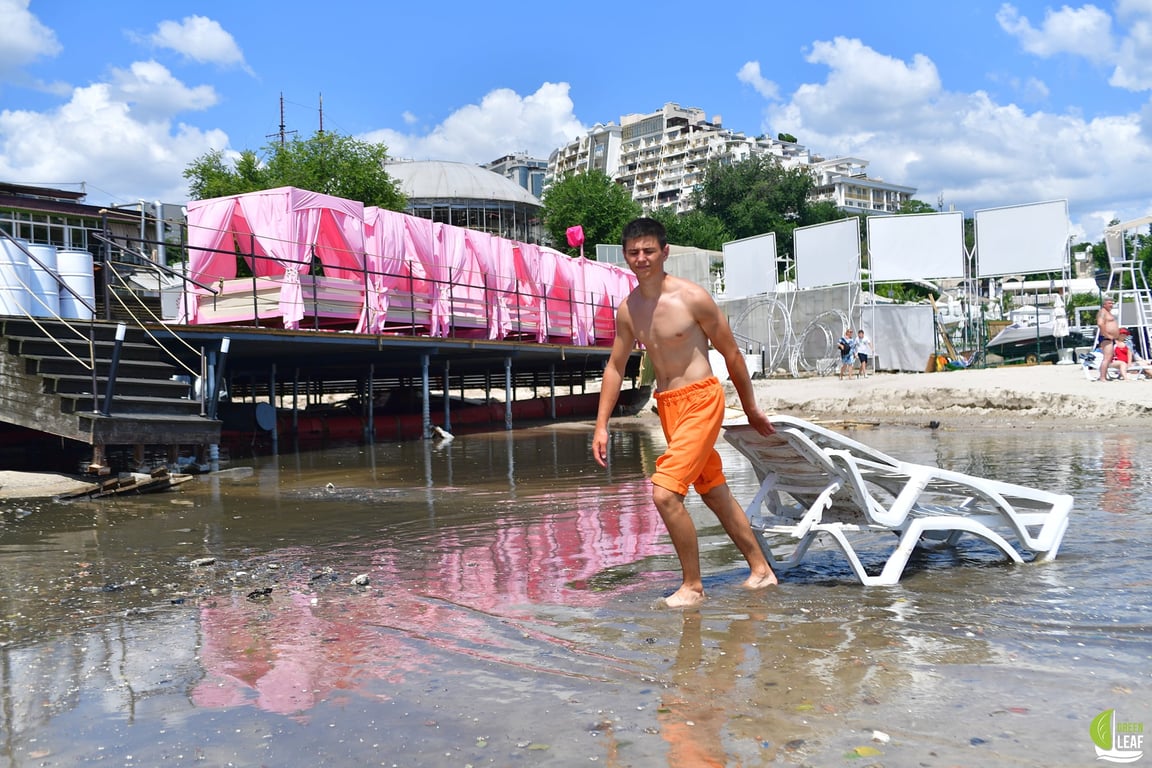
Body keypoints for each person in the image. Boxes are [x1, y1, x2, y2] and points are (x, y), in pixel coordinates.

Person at [592, 217, 778, 608]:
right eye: (633, 252)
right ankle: (761, 571)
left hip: (702, 400)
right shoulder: (629, 310)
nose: (641, 259)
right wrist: (601, 425)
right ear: (625, 255)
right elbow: (614, 366)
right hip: (668, 408)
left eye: (648, 251)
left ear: (665, 252)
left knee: (664, 494)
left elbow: (731, 353)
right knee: (714, 493)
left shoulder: (692, 297)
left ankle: (692, 586)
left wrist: (750, 408)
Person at [1097, 297, 1120, 382]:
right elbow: (1100, 323)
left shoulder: (1107, 312)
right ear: (1104, 304)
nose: (1111, 305)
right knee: (1107, 357)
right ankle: (1102, 377)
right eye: (1109, 303)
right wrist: (1106, 334)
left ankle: (1104, 375)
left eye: (1112, 303)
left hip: (1110, 338)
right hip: (1106, 337)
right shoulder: (1102, 312)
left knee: (1109, 357)